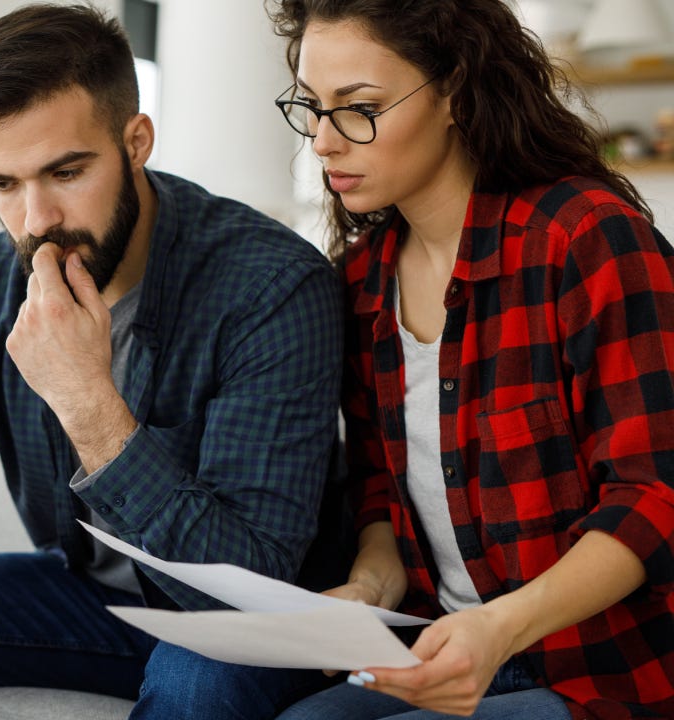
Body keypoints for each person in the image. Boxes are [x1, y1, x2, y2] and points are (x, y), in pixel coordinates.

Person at [0, 4, 344, 720]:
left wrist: (87, 402)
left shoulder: (271, 288)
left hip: (263, 625)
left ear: (136, 141)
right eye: (3, 183)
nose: (36, 221)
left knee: (200, 681)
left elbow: (242, 587)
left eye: (65, 172)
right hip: (94, 600)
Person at [266, 1, 674, 718]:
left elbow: (655, 495)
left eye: (358, 108)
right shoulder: (360, 283)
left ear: (453, 88)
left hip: (600, 673)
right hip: (440, 650)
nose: (323, 144)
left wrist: (497, 627)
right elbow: (380, 495)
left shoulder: (584, 240)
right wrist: (367, 588)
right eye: (312, 108)